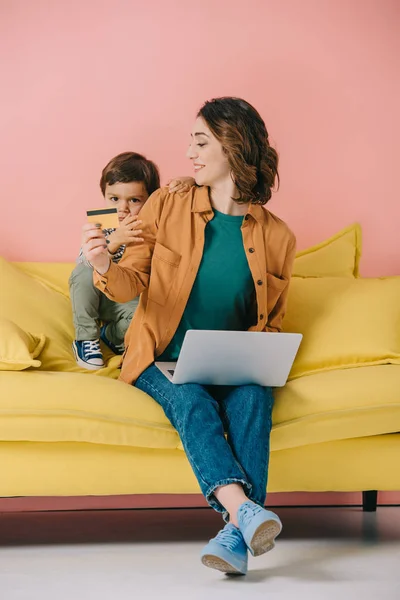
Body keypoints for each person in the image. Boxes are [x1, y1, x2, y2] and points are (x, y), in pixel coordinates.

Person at [81, 97, 296, 575]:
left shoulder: (278, 236)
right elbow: (129, 281)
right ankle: (242, 511)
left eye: (201, 142)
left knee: (255, 399)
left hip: (233, 361)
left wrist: (262, 358)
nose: (190, 153)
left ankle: (234, 534)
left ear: (233, 146)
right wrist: (102, 265)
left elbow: (273, 321)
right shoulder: (169, 202)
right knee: (191, 398)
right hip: (161, 357)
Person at [70, 151, 193, 369]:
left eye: (134, 200)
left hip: (131, 301)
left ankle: (112, 335)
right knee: (82, 270)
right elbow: (85, 262)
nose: (122, 208)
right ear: (105, 196)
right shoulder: (102, 222)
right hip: (102, 298)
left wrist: (189, 182)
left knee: (152, 319)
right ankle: (86, 338)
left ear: (151, 200)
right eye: (114, 199)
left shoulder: (152, 225)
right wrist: (114, 241)